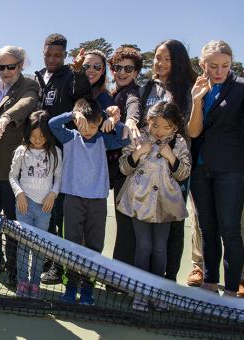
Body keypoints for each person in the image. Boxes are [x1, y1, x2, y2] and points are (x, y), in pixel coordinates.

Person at [188, 40, 244, 297]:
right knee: (207, 228)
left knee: (230, 230)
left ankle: (231, 289)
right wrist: (196, 101)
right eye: (213, 66)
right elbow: (194, 132)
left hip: (231, 169)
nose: (219, 71)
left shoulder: (242, 88)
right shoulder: (197, 88)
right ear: (202, 64)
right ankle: (209, 282)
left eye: (225, 66)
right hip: (200, 170)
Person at [49, 97, 129, 305]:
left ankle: (87, 289)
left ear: (100, 122)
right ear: (76, 122)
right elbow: (52, 124)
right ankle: (70, 286)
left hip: (97, 202)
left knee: (94, 245)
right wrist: (71, 114)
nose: (88, 130)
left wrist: (115, 121)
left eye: (93, 126)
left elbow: (126, 139)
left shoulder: (104, 139)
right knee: (71, 245)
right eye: (83, 125)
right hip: (73, 200)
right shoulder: (69, 138)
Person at [128, 39, 197, 281]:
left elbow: (187, 127)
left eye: (167, 58)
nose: (161, 62)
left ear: (178, 61)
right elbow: (137, 117)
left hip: (172, 167)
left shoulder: (188, 88)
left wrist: (171, 154)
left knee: (171, 228)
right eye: (158, 57)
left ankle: (168, 281)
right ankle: (142, 282)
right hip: (146, 169)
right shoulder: (148, 87)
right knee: (145, 238)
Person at [116, 101, 191, 311]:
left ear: (175, 127)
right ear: (148, 121)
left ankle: (158, 292)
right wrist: (137, 153)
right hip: (138, 201)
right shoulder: (138, 137)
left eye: (166, 127)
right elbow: (123, 167)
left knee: (159, 248)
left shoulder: (178, 143)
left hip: (165, 205)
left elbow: (184, 172)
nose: (159, 131)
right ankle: (140, 292)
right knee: (144, 246)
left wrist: (171, 157)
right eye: (155, 125)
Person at [34, 34, 90, 285]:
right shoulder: (36, 78)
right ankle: (45, 259)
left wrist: (79, 73)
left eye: (58, 55)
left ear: (65, 56)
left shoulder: (70, 77)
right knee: (41, 212)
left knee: (58, 213)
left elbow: (82, 97)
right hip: (37, 156)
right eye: (48, 54)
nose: (52, 59)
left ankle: (58, 265)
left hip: (62, 157)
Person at [0, 45, 39, 286]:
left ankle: (15, 271)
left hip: (13, 170)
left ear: (21, 65)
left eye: (10, 66)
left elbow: (27, 103)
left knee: (14, 223)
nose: (5, 72)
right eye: (1, 67)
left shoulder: (29, 85)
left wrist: (6, 117)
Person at [9, 111, 62, 297]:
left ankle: (34, 283)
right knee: (23, 246)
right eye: (33, 136)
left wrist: (53, 195)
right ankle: (22, 283)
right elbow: (13, 176)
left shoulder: (55, 153)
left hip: (44, 208)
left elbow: (58, 178)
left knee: (39, 247)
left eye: (41, 136)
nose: (37, 140)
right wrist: (20, 194)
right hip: (24, 206)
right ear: (27, 134)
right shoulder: (21, 152)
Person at [105, 46, 143, 267]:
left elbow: (133, 107)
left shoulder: (131, 93)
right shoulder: (114, 93)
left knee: (126, 221)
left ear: (136, 72)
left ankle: (122, 273)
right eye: (118, 67)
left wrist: (131, 121)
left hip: (128, 169)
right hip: (116, 167)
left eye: (129, 68)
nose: (122, 72)